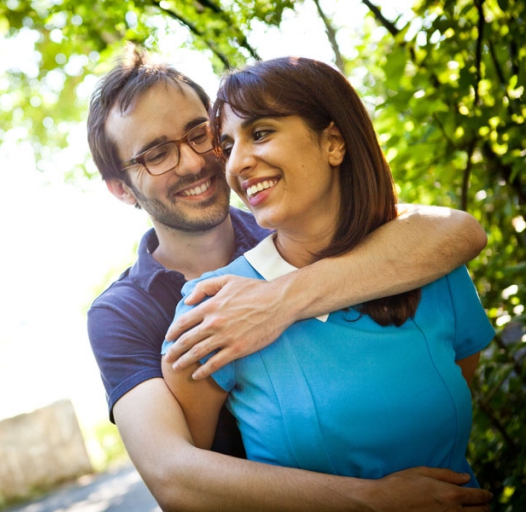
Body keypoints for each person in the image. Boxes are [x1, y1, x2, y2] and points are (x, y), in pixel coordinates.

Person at [87, 46, 492, 511]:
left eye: (201, 135)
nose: (196, 162)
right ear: (121, 188)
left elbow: (460, 233)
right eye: (157, 154)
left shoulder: (303, 220)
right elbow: (173, 475)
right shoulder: (126, 313)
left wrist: (281, 300)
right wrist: (373, 500)